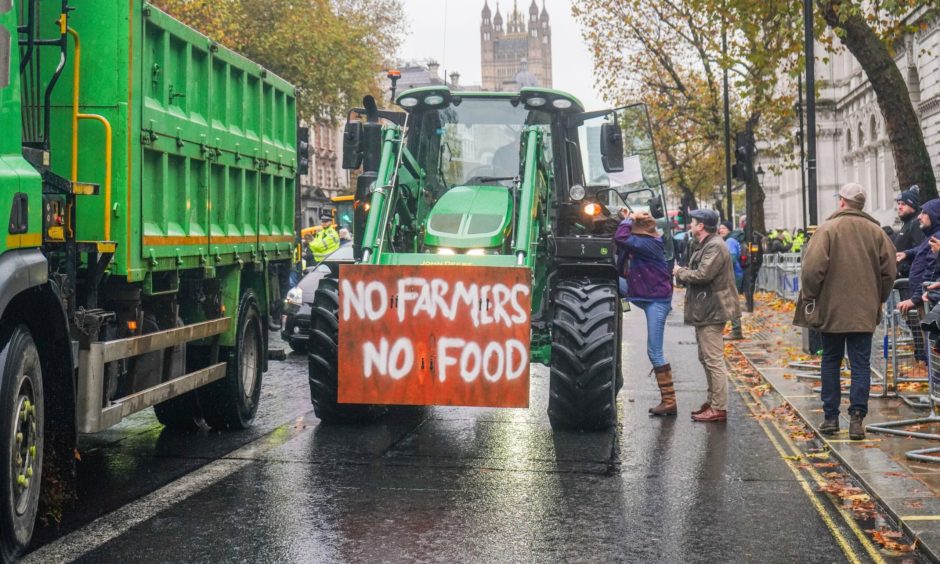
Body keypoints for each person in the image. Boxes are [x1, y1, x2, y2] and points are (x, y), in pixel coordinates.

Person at [796, 183, 895, 440]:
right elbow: (889, 272)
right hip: (864, 309)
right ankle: (856, 419)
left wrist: (810, 295)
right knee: (861, 363)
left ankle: (830, 418)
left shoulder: (827, 229)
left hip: (832, 309)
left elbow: (811, 270)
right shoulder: (877, 232)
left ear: (842, 202)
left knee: (831, 360)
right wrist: (878, 298)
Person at [673, 209, 740, 423]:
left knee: (713, 360)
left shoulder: (715, 246)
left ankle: (719, 407)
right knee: (705, 358)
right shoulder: (706, 244)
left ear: (701, 226)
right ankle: (712, 401)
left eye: (693, 223)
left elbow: (703, 275)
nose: (691, 226)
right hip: (706, 308)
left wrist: (679, 272)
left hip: (713, 309)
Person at [615, 210, 675, 416]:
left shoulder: (650, 244)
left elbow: (621, 237)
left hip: (656, 301)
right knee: (612, 282)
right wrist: (625, 217)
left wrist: (628, 220)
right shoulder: (642, 243)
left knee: (654, 351)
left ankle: (669, 401)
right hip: (641, 293)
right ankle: (623, 305)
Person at [719, 221, 745, 340]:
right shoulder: (730, 240)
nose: (721, 230)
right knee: (729, 302)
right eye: (720, 228)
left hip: (733, 276)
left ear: (729, 230)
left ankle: (736, 331)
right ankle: (729, 329)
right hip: (733, 275)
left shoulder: (730, 241)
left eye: (723, 228)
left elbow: (732, 259)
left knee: (731, 303)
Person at [895, 185, 924, 279]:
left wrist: (906, 270)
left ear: (913, 206)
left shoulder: (916, 223)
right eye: (898, 203)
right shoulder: (907, 223)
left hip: (908, 280)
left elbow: (922, 249)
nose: (899, 207)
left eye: (903, 204)